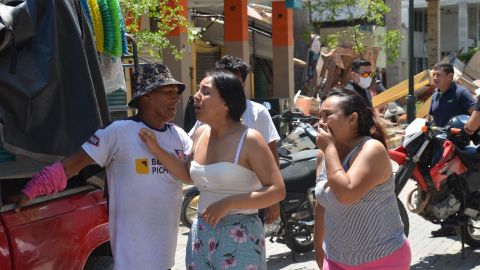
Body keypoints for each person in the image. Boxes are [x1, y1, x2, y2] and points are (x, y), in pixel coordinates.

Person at [11, 64, 192, 270]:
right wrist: (31, 190)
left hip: (166, 258)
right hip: (131, 262)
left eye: (176, 92)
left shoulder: (179, 136)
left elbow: (195, 174)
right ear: (147, 96)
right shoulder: (118, 133)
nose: (176, 97)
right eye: (168, 92)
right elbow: (72, 165)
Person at [138, 71, 285, 269]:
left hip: (240, 233)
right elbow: (188, 175)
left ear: (227, 103)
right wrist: (156, 148)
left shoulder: (250, 139)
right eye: (198, 90)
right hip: (201, 232)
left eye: (205, 92)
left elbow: (277, 190)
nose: (196, 96)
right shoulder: (200, 133)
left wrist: (230, 202)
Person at [314, 88, 410, 270]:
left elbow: (346, 193)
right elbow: (322, 204)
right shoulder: (325, 153)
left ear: (352, 118)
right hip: (337, 259)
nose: (321, 122)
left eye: (327, 115)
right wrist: (318, 248)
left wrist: (328, 150)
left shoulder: (372, 149)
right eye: (319, 116)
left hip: (383, 258)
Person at [189, 55, 281, 224]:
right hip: (205, 228)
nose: (197, 96)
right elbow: (188, 164)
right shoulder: (203, 124)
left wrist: (272, 201)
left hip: (245, 214)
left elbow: (271, 157)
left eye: (206, 91)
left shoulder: (257, 114)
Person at [428, 63, 477, 237]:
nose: (435, 78)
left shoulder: (460, 93)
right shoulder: (435, 95)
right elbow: (432, 118)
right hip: (440, 145)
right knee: (442, 182)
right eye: (434, 75)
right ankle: (447, 220)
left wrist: (466, 131)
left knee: (458, 184)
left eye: (439, 75)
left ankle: (456, 219)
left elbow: (475, 112)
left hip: (459, 146)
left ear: (449, 77)